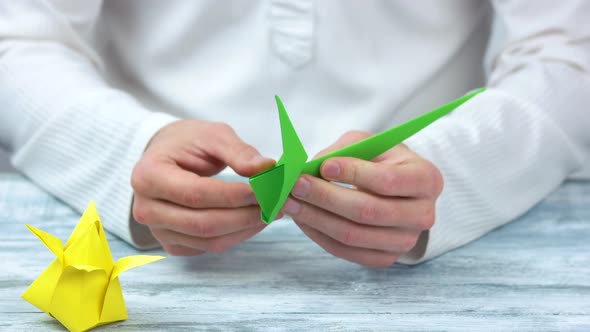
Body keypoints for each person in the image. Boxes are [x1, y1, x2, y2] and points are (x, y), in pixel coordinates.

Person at [0, 1, 588, 268]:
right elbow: (18, 40)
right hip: (152, 246)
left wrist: (450, 174)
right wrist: (128, 152)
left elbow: (569, 53)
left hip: (448, 237)